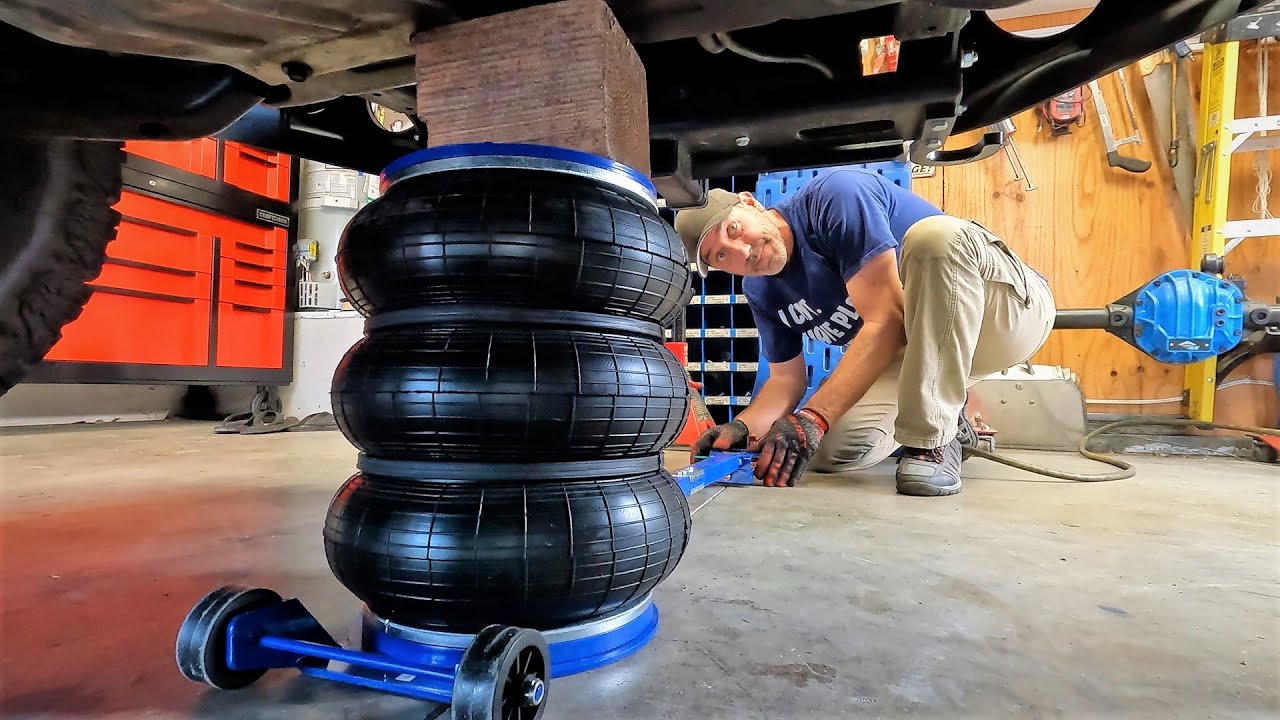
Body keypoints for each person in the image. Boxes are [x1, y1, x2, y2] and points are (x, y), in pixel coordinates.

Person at [674, 169, 1055, 496]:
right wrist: (743, 427)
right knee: (829, 452)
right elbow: (784, 381)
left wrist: (814, 417)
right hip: (921, 349)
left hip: (1005, 311)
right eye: (720, 256)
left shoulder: (834, 198)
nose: (742, 251)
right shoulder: (761, 290)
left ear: (750, 203)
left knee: (935, 238)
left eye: (734, 229)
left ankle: (932, 441)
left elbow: (886, 319)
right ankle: (949, 420)